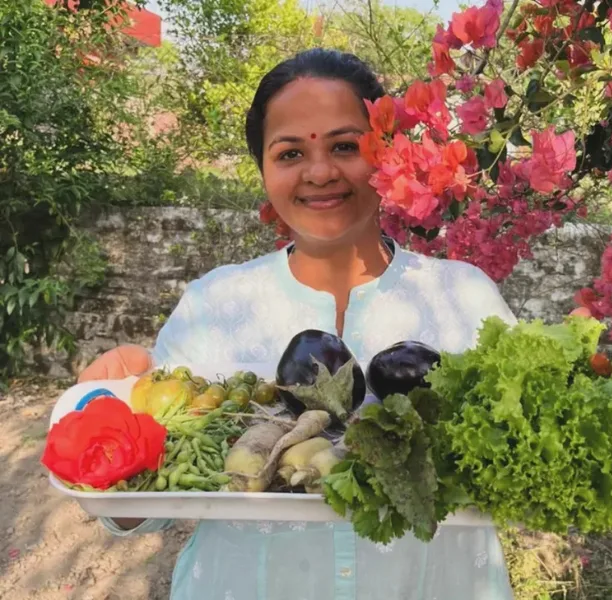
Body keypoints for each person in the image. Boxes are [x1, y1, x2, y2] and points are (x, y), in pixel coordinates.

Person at [79, 48, 518, 600]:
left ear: (385, 152)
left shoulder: (464, 297)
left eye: (345, 146)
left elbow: (523, 464)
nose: (319, 172)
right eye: (290, 153)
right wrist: (103, 438)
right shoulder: (215, 303)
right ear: (264, 170)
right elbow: (146, 507)